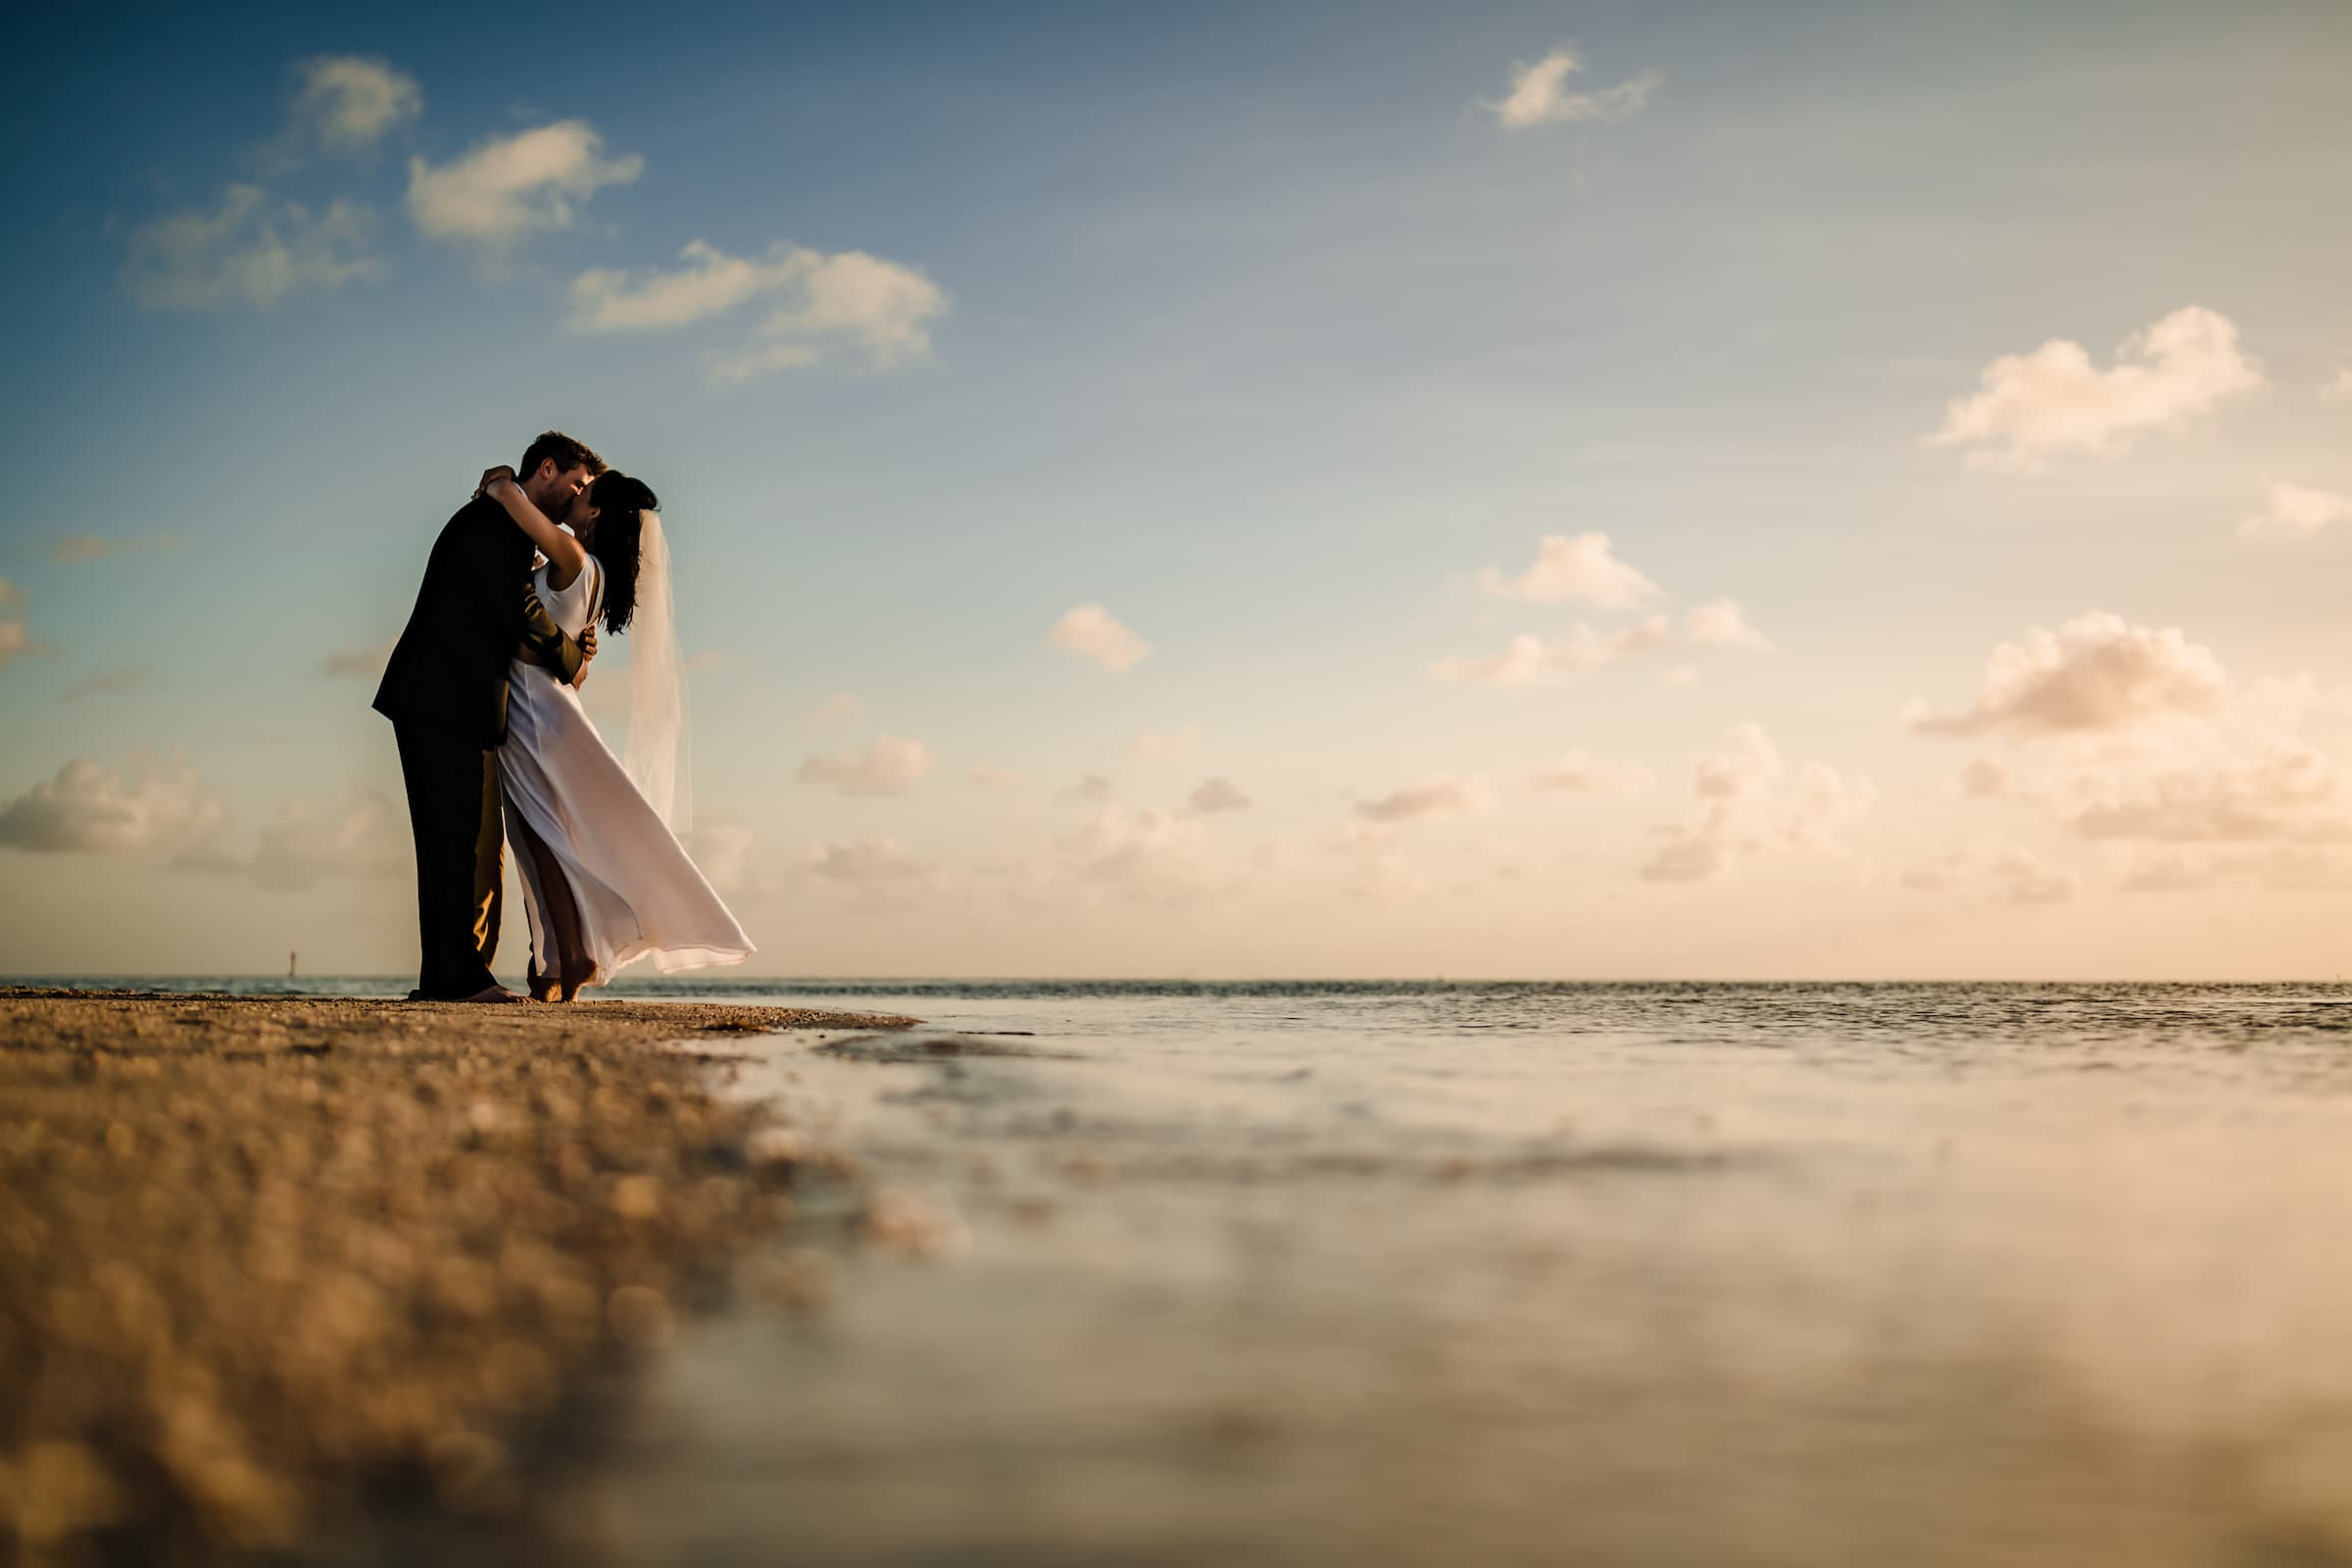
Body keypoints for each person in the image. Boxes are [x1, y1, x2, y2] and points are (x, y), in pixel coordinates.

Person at [474, 461, 753, 1000]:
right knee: (542, 836)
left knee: (538, 835)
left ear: (594, 512)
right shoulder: (595, 573)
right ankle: (560, 960)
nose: (576, 495)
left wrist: (499, 480)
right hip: (550, 707)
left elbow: (511, 501)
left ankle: (571, 952)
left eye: (585, 492)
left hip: (532, 708)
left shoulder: (572, 554)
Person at [372, 432, 603, 1003]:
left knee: (461, 841)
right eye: (575, 484)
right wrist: (571, 661)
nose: (577, 498)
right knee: (455, 840)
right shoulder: (494, 522)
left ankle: (449, 977)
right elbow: (517, 608)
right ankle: (459, 978)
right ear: (545, 469)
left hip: (447, 698)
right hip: (441, 697)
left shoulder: (505, 520)